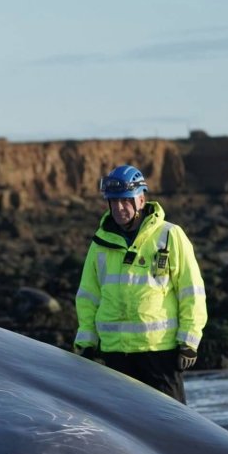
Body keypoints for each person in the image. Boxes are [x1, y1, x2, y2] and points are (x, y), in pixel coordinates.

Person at [73, 164, 207, 403]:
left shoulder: (169, 236)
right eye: (114, 202)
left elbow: (191, 291)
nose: (119, 208)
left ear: (141, 200)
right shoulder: (100, 243)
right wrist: (86, 342)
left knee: (172, 426)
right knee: (123, 432)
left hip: (159, 354)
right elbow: (88, 295)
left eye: (125, 201)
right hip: (115, 356)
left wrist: (188, 341)